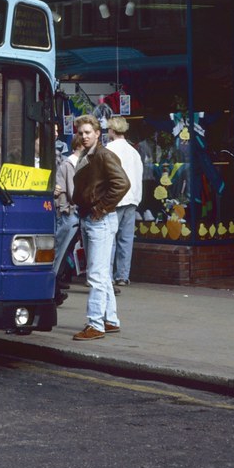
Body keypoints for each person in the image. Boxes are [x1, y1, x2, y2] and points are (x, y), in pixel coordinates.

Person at [71, 114, 130, 341]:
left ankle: (95, 324)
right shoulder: (89, 155)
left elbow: (122, 184)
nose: (84, 136)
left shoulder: (104, 155)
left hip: (99, 220)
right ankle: (110, 320)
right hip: (92, 218)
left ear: (98, 133)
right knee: (102, 273)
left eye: (88, 132)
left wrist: (102, 208)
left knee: (95, 275)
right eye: (81, 133)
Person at [106, 115, 143, 286]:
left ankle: (108, 275)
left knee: (110, 238)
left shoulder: (110, 148)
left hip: (116, 198)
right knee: (126, 240)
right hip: (132, 198)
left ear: (112, 130)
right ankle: (122, 275)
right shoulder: (133, 151)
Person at [52, 135, 84, 306]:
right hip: (68, 213)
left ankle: (56, 289)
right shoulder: (70, 164)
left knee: (62, 253)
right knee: (60, 253)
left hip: (68, 212)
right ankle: (53, 290)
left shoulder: (70, 163)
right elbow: (73, 193)